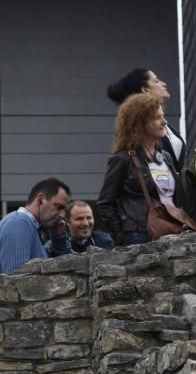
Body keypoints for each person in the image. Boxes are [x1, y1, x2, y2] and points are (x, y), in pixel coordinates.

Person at [97, 93, 188, 246]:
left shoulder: (165, 156)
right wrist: (120, 236)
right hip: (139, 234)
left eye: (163, 116)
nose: (164, 122)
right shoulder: (123, 159)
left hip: (172, 230)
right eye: (157, 117)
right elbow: (105, 202)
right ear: (140, 122)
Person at [107, 68, 186, 168]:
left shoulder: (164, 124)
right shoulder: (139, 129)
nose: (164, 84)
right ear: (145, 89)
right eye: (156, 81)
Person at [0, 178, 70, 274]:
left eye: (64, 210)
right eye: (59, 207)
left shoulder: (31, 226)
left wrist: (59, 238)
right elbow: (16, 283)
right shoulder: (19, 223)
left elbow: (56, 269)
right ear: (40, 200)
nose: (62, 215)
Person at [47, 201, 113, 256]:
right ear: (67, 221)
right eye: (79, 219)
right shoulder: (56, 245)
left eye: (89, 218)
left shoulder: (104, 241)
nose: (86, 223)